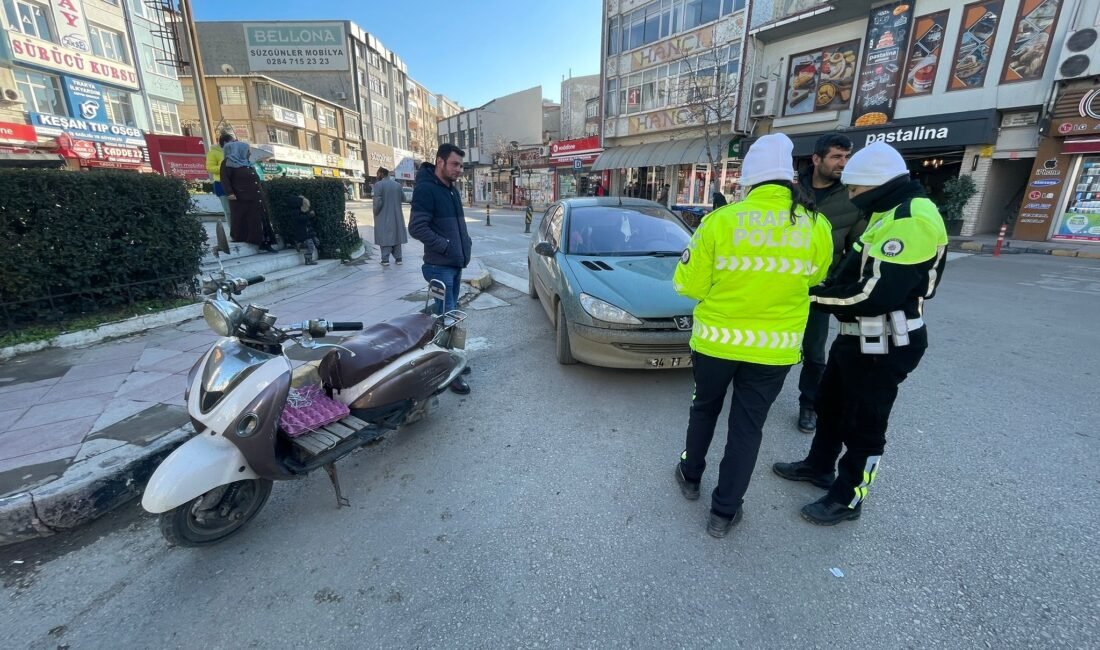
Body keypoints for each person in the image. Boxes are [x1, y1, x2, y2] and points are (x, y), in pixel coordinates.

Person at [772, 141, 948, 526]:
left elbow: (874, 295)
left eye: (855, 188)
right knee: (830, 404)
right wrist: (820, 284)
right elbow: (851, 270)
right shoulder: (888, 212)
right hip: (857, 335)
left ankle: (848, 498)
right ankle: (819, 467)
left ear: (876, 183)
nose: (851, 195)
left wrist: (808, 296)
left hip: (887, 340)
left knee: (864, 423)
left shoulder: (911, 219)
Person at [672, 133, 834, 538]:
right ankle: (723, 512)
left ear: (747, 180)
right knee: (747, 428)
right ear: (790, 177)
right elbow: (816, 277)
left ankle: (690, 476)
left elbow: (688, 285)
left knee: (704, 409)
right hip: (773, 350)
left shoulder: (721, 221)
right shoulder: (816, 225)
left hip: (715, 344)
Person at [794, 133, 864, 435]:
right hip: (781, 283)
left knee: (814, 353)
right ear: (816, 159)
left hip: (818, 291)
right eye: (836, 156)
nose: (843, 163)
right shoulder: (790, 191)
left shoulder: (851, 198)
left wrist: (835, 282)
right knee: (768, 345)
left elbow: (856, 249)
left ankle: (809, 404)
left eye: (846, 157)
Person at [409, 144, 473, 395]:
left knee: (449, 315)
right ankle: (447, 370)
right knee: (446, 317)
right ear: (440, 162)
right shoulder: (426, 189)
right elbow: (416, 227)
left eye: (461, 165)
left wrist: (464, 245)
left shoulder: (451, 190)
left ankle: (448, 358)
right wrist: (445, 246)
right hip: (439, 267)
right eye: (455, 164)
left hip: (454, 264)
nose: (459, 169)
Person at [220, 140, 274, 252]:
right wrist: (230, 193)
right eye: (246, 151)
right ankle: (248, 238)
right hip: (241, 198)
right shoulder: (228, 163)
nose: (249, 153)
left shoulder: (246, 163)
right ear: (238, 150)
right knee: (246, 219)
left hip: (255, 196)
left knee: (259, 218)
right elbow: (225, 179)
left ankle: (265, 241)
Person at [371, 167, 409, 266]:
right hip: (396, 215)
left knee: (385, 237)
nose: (376, 176)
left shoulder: (378, 185)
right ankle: (399, 258)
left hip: (383, 215)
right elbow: (404, 198)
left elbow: (378, 202)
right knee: (397, 236)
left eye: (377, 174)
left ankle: (385, 260)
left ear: (381, 174)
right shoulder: (397, 185)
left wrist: (375, 212)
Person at [206, 132, 234, 221]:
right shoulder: (213, 153)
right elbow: (210, 168)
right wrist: (224, 167)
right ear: (225, 142)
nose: (233, 144)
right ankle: (232, 229)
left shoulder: (233, 152)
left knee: (237, 209)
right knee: (228, 211)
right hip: (221, 184)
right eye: (232, 141)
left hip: (234, 183)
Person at [290, 195, 319, 265]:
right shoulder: (296, 211)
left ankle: (300, 244)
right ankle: (308, 259)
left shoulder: (303, 210)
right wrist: (309, 215)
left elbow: (309, 221)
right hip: (304, 233)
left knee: (316, 242)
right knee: (311, 246)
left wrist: (312, 216)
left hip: (308, 232)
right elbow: (301, 219)